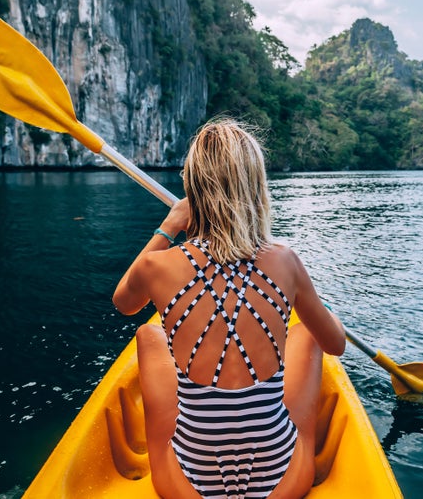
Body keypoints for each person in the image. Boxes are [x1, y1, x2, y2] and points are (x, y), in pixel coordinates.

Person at [112, 118, 345, 499]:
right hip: (281, 484)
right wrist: (323, 311)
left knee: (148, 335)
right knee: (308, 335)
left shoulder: (158, 267)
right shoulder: (286, 262)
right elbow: (336, 344)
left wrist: (169, 226)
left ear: (192, 190)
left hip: (188, 487)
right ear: (255, 187)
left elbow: (124, 303)